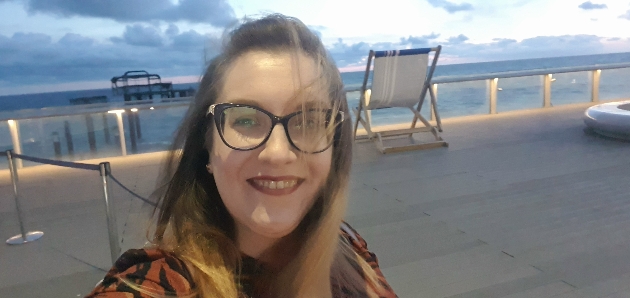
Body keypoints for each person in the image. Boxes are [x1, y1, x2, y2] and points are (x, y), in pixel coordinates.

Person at [87, 14, 397, 298]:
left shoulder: (349, 251)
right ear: (206, 146)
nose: (277, 153)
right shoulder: (156, 284)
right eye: (246, 119)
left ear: (335, 148)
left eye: (308, 120)